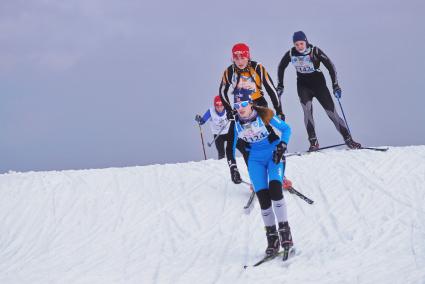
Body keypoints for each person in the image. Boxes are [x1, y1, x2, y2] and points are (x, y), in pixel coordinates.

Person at [226, 88, 293, 257]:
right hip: (255, 160)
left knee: (276, 191)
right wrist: (233, 167)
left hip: (273, 155)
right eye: (236, 104)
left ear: (250, 103)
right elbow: (230, 148)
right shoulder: (235, 123)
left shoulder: (263, 113)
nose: (240, 108)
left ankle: (286, 234)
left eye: (243, 104)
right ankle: (272, 239)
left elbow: (286, 129)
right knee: (263, 199)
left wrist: (282, 145)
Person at [277, 31, 361, 151]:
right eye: (296, 44)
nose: (299, 46)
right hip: (303, 86)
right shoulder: (291, 53)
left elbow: (330, 66)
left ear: (306, 42)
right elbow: (281, 66)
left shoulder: (315, 51)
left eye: (301, 43)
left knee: (332, 113)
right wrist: (280, 85)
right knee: (307, 112)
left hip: (319, 85)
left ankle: (349, 140)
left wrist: (335, 85)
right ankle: (313, 142)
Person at [219, 43, 284, 121]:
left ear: (248, 57)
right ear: (233, 59)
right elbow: (222, 91)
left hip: (258, 103)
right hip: (241, 106)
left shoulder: (257, 67)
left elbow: (270, 88)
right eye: (236, 59)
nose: (240, 62)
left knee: (264, 130)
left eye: (242, 58)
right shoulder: (229, 72)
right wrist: (228, 110)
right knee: (244, 132)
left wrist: (279, 110)